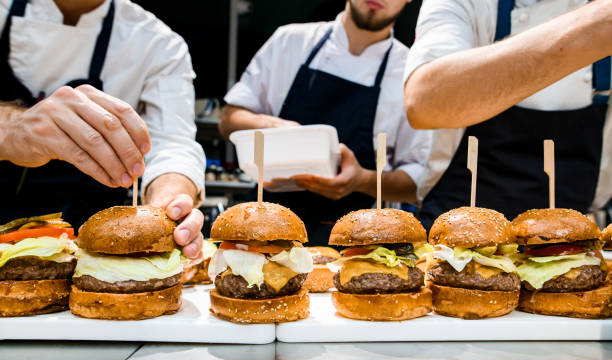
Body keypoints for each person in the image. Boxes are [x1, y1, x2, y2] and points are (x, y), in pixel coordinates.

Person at [0, 0, 206, 258]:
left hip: (94, 242)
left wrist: (169, 202)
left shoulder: (157, 43)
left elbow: (172, 144)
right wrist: (12, 127)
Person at [218, 0, 430, 244]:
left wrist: (361, 180)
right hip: (259, 227)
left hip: (351, 241)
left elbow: (418, 180)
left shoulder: (410, 73)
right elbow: (229, 119)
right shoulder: (289, 41)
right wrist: (274, 127)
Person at [403, 0, 612, 230]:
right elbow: (426, 101)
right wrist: (600, 25)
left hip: (570, 239)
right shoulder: (472, 4)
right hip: (453, 241)